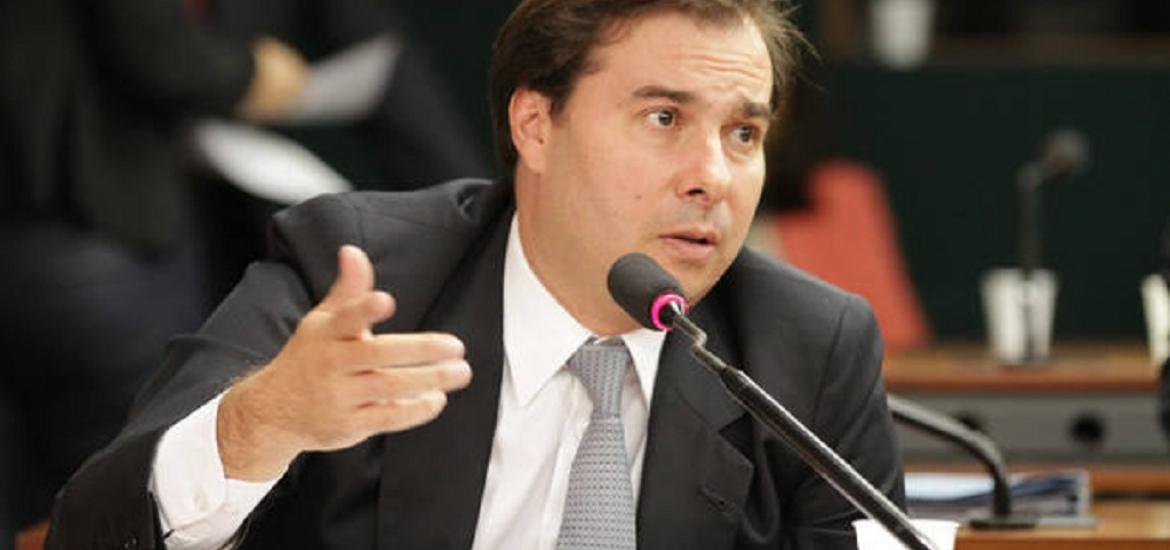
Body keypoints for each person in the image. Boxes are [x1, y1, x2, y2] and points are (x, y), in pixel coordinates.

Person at [46, 0, 904, 548]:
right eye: (663, 118)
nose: (712, 176)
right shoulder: (355, 276)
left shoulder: (808, 346)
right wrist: (260, 424)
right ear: (536, 125)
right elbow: (94, 530)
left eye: (743, 134)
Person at [0, 0, 306, 546]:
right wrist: (253, 73)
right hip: (88, 227)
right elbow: (154, 48)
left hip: (47, 231)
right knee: (132, 493)